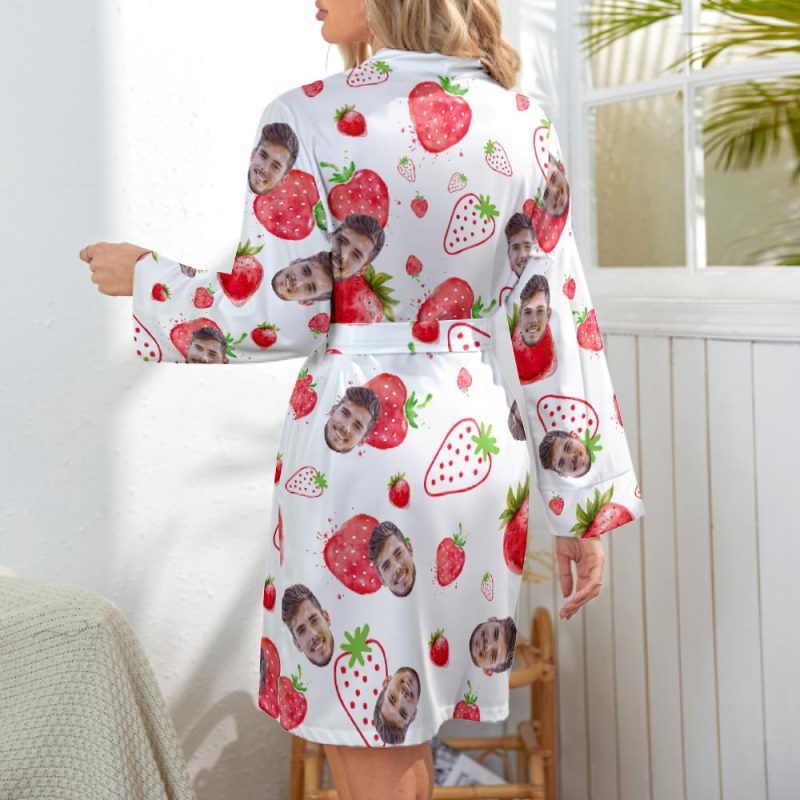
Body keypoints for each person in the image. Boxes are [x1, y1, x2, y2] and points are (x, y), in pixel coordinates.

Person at [78, 1, 646, 797]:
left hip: (362, 464)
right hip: (480, 448)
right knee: (402, 732)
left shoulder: (307, 117)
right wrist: (582, 507)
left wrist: (146, 277)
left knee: (368, 742)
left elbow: (277, 310)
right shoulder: (524, 123)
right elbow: (555, 323)